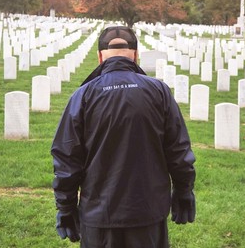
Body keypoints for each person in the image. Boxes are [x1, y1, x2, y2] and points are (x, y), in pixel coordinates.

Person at [51, 25, 196, 247]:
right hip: (147, 213)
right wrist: (184, 190)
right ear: (136, 55)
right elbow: (178, 151)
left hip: (99, 215)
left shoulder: (83, 96)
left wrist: (66, 207)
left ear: (100, 57)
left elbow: (67, 159)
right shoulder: (160, 92)